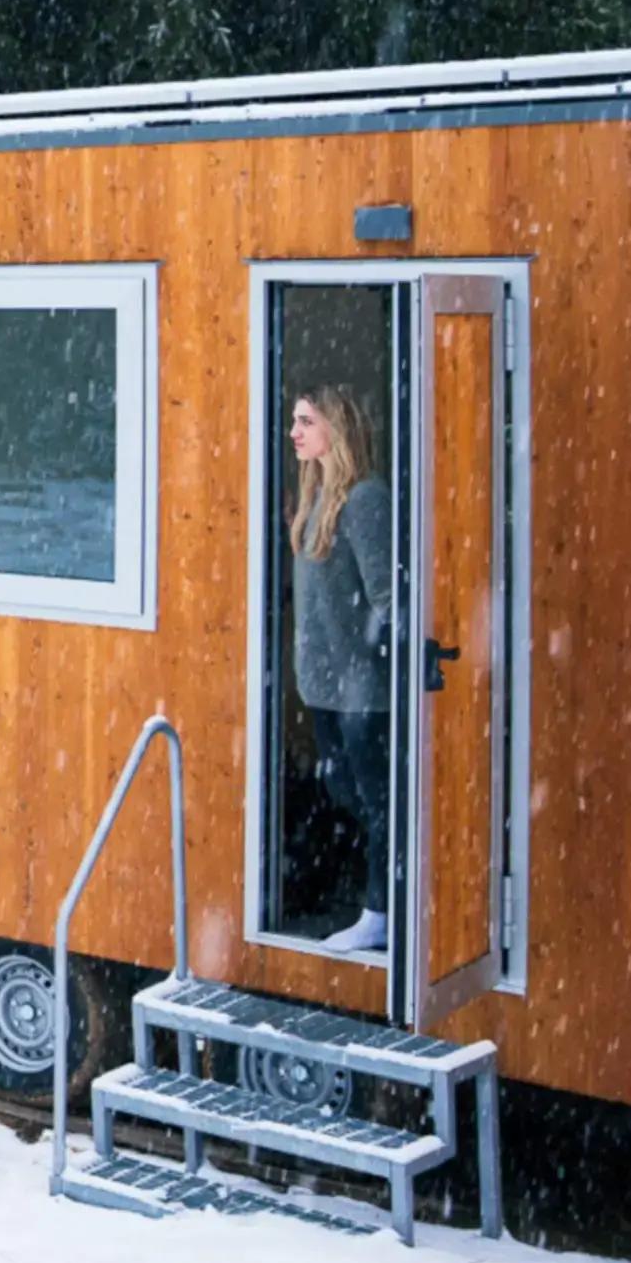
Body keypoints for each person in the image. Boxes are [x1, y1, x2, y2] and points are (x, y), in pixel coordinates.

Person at [290, 386, 395, 955]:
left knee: (378, 801)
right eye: (294, 421)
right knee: (343, 789)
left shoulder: (365, 500)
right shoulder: (319, 497)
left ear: (337, 425)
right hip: (325, 686)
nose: (295, 432)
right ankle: (383, 900)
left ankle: (381, 912)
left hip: (362, 690)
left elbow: (385, 594)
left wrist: (379, 660)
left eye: (306, 421)